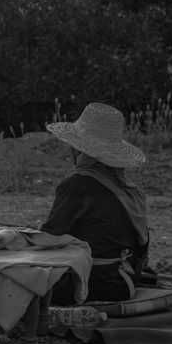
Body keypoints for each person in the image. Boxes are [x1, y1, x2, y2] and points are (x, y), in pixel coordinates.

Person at [40, 102, 151, 305]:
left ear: (77, 148)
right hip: (125, 281)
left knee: (15, 282)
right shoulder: (125, 186)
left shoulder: (78, 184)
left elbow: (49, 237)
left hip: (94, 283)